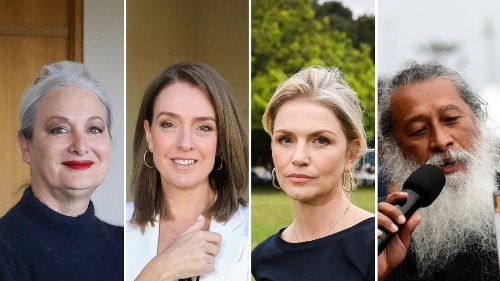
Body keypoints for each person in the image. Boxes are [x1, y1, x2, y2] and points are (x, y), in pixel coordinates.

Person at [0, 61, 124, 280]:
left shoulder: (128, 245)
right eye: (60, 129)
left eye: (94, 129)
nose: (80, 145)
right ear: (26, 145)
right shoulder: (5, 251)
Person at [377, 61, 500, 280]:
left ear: (477, 122)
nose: (441, 141)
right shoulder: (379, 230)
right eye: (418, 130)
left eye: (451, 119)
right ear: (390, 151)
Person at [126, 62, 249, 281]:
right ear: (149, 135)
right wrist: (159, 271)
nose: (185, 143)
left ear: (221, 142)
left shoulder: (252, 230)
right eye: (169, 124)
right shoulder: (117, 228)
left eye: (204, 127)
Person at [251, 66, 375, 280]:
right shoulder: (262, 257)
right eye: (286, 140)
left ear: (351, 153)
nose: (299, 158)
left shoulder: (376, 243)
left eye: (320, 140)